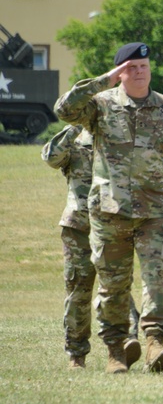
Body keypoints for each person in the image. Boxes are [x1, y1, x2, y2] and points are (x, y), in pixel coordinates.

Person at [55, 42, 163, 374]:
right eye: (132, 67)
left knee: (156, 278)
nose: (139, 72)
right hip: (109, 210)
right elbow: (64, 109)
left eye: (144, 66)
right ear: (120, 72)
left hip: (155, 210)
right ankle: (116, 350)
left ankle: (155, 342)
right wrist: (104, 80)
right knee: (113, 285)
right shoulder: (101, 106)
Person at [41, 125, 143, 371]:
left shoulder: (121, 134)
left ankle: (125, 342)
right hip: (80, 226)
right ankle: (76, 354)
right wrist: (75, 126)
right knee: (79, 290)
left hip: (113, 224)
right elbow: (51, 158)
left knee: (117, 285)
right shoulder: (75, 138)